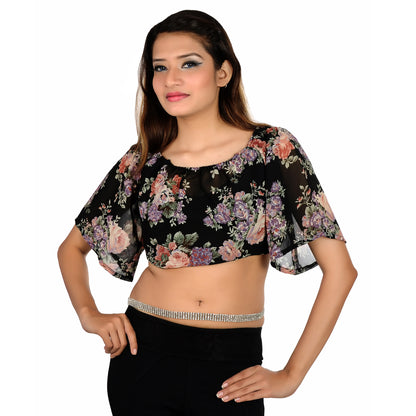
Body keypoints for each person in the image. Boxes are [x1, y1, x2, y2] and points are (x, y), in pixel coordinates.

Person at [57, 9, 357, 416]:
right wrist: (89, 314)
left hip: (231, 365)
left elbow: (341, 271)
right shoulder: (143, 161)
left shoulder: (272, 149)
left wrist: (291, 375)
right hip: (144, 353)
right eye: (159, 67)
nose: (171, 79)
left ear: (223, 72)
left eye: (189, 64)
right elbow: (71, 248)